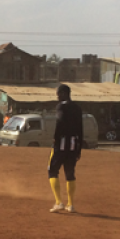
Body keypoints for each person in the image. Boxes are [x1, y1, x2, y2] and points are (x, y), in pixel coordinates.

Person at [48, 84, 83, 213]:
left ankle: (58, 202)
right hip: (74, 143)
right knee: (70, 173)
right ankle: (71, 204)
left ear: (63, 93)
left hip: (62, 143)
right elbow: (80, 128)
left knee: (52, 170)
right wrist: (79, 148)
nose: (57, 96)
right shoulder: (77, 108)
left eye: (58, 93)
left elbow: (59, 122)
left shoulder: (61, 106)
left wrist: (55, 139)